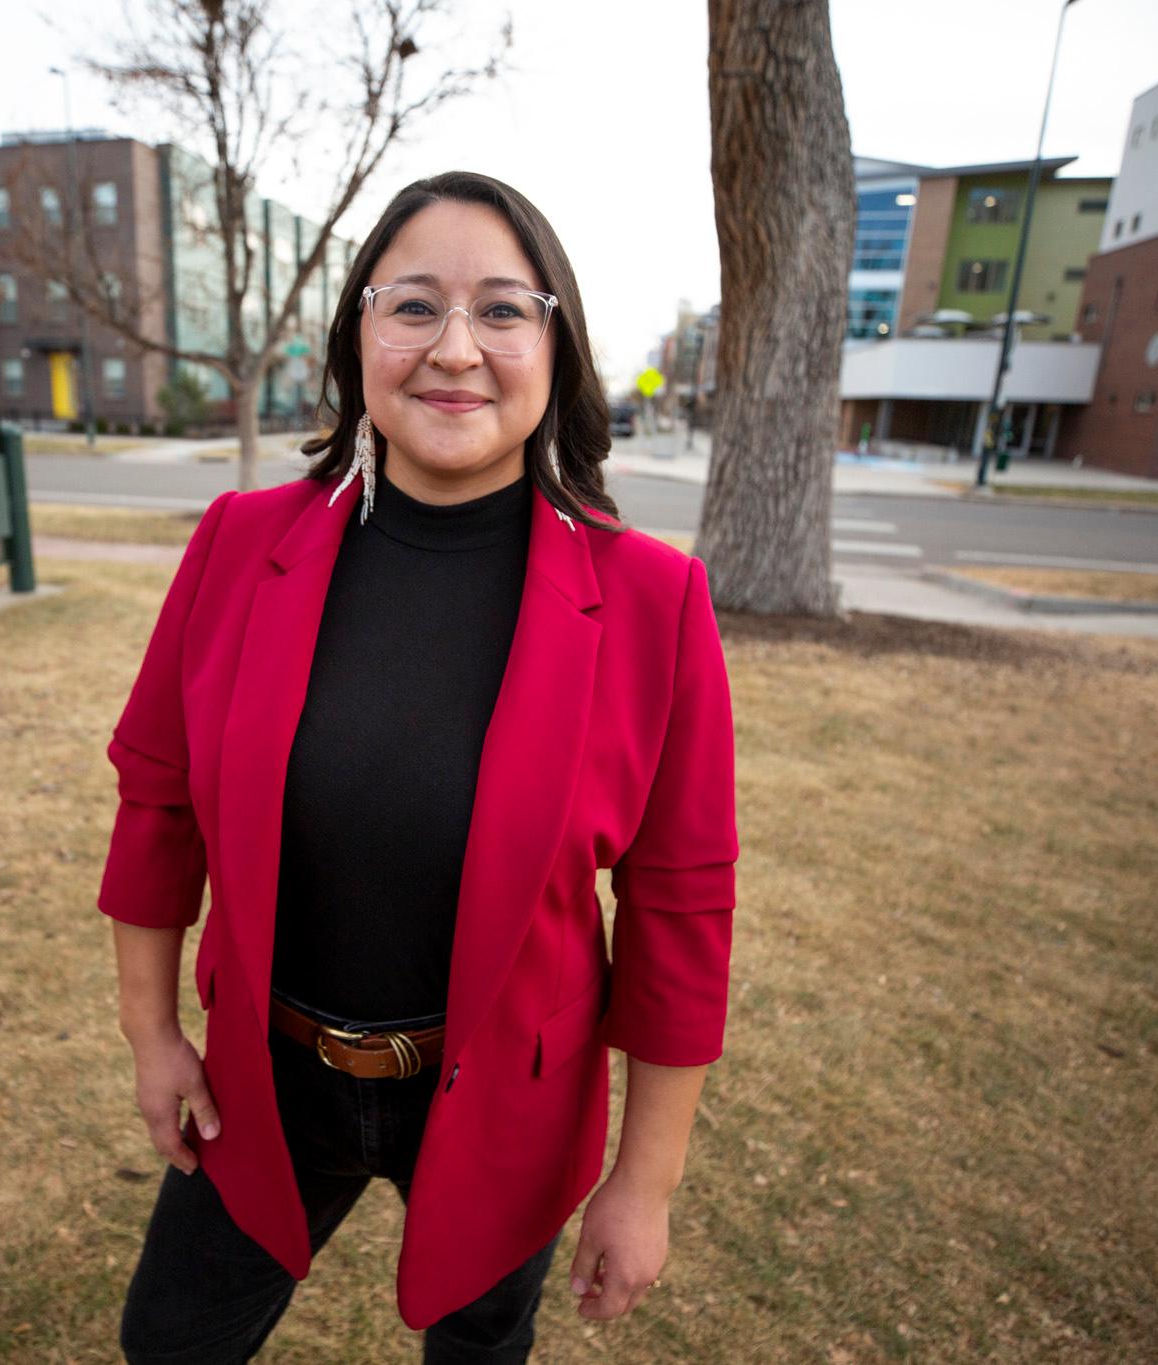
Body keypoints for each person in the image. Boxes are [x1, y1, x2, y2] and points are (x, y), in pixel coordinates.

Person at [97, 170, 738, 1363]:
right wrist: (151, 1034)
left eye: (500, 310)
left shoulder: (654, 602)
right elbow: (156, 804)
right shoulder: (237, 546)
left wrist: (642, 1182)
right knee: (170, 1342)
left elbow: (679, 911)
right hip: (262, 1077)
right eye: (412, 306)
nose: (454, 349)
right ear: (358, 338)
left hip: (507, 1098)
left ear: (554, 347)